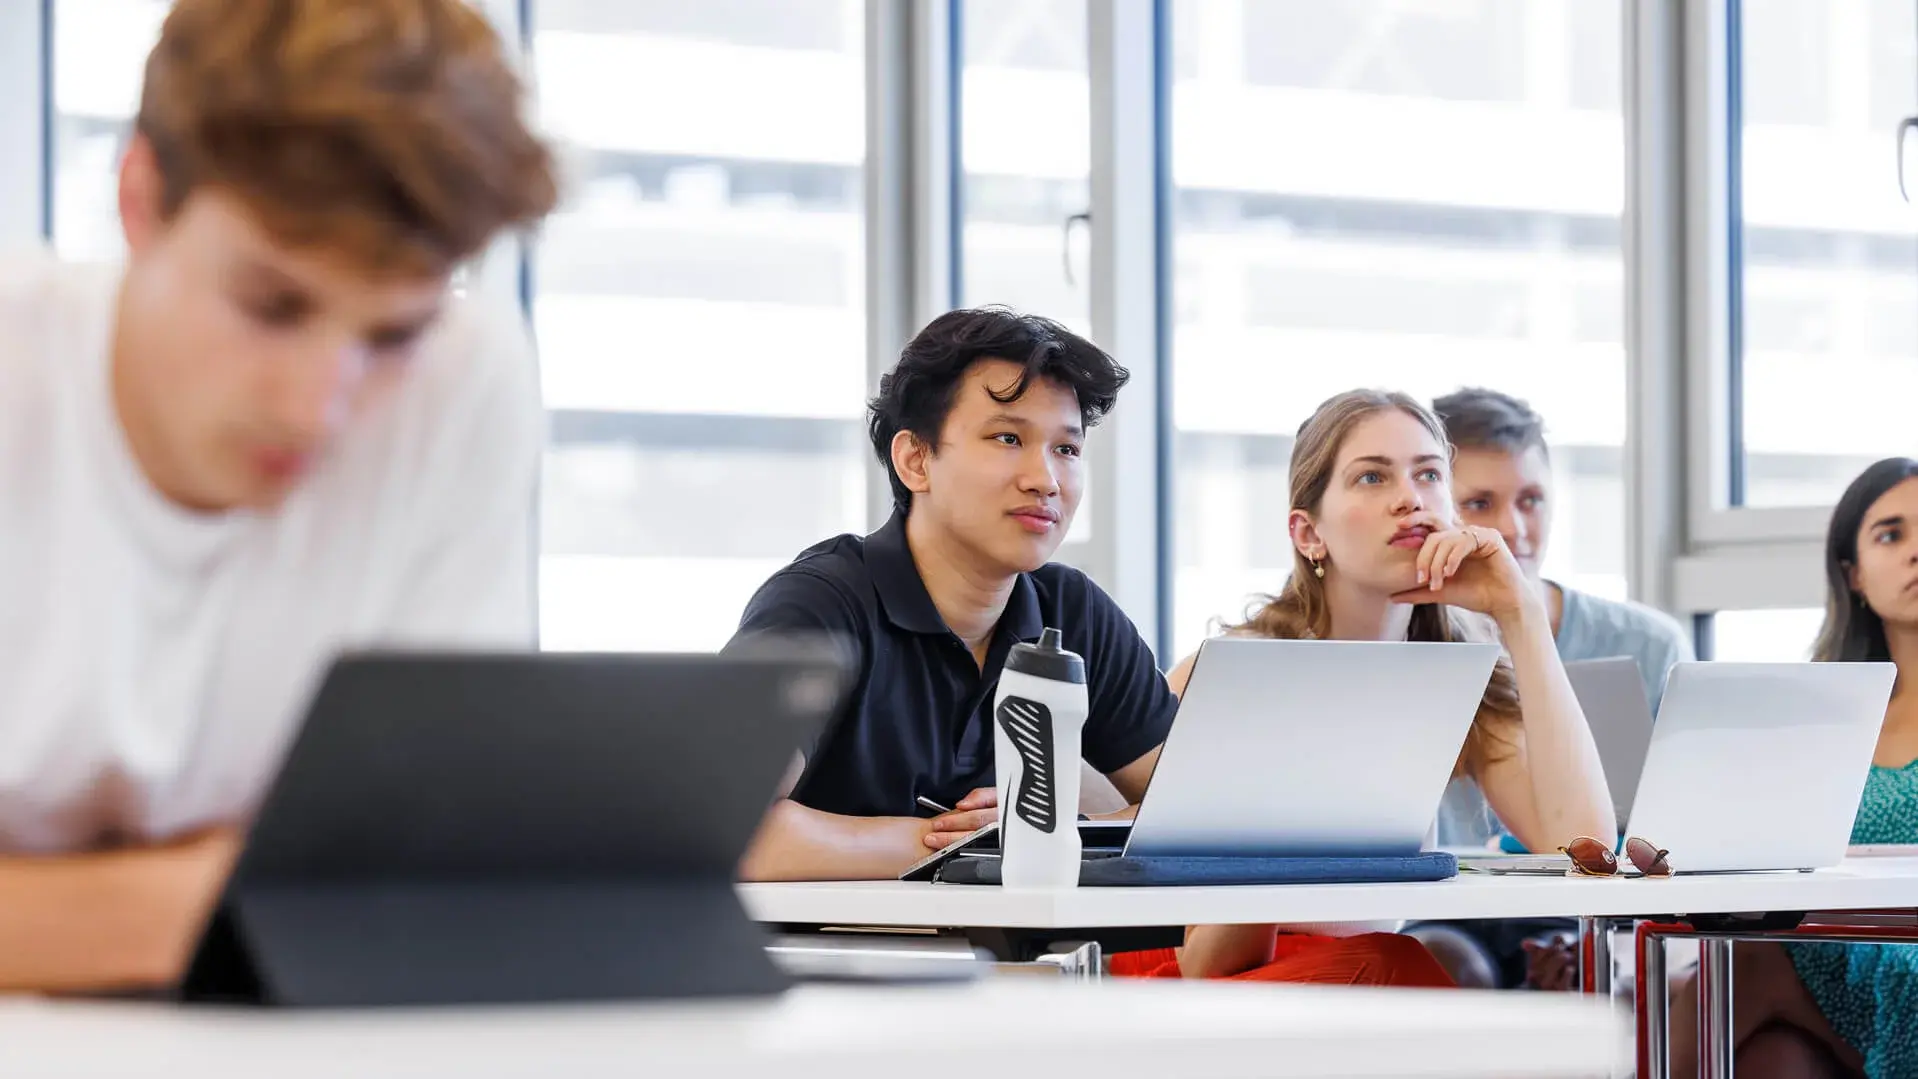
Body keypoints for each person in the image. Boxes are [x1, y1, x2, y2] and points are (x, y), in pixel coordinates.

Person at [0, 0, 558, 992]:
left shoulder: (464, 379)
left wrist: (66, 905)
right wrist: (209, 895)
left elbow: (414, 870)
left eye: (388, 336)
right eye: (271, 305)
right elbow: (339, 900)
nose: (316, 409)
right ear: (139, 199)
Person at [1110, 389, 1614, 985]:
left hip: (1361, 974)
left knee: (1401, 967)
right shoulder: (1239, 673)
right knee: (1400, 967)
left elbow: (1581, 848)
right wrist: (1286, 804)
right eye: (1372, 478)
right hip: (1196, 973)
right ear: (1307, 534)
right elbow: (1209, 961)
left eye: (1429, 475)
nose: (1411, 499)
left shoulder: (1456, 669)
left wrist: (1521, 617)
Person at [731, 308, 1175, 882]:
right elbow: (725, 830)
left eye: (1067, 449)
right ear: (915, 459)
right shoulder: (821, 605)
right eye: (1008, 438)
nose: (1045, 479)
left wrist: (1060, 832)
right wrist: (945, 845)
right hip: (832, 958)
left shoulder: (1073, 611)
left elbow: (1199, 819)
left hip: (1015, 960)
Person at [1412, 388, 1695, 989]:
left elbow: (1675, 827)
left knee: (1637, 969)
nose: (1515, 528)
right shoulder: (1408, 641)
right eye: (1481, 502)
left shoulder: (1648, 643)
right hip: (1451, 913)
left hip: (1602, 905)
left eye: (1532, 500)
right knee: (1441, 960)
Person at [1670, 458, 1918, 1079]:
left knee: (1746, 968)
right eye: (1892, 534)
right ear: (1854, 574)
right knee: (1769, 1058)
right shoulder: (1823, 709)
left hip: (1895, 956)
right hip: (1842, 952)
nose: (1917, 552)